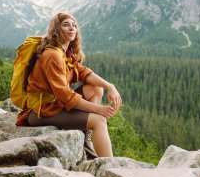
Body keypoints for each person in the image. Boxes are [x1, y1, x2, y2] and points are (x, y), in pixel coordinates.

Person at [16, 12, 122, 157]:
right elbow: (65, 96)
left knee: (95, 88)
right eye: (66, 25)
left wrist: (109, 85)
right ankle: (110, 170)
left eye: (74, 25)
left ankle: (85, 137)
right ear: (56, 29)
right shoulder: (52, 55)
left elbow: (83, 72)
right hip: (41, 111)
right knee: (99, 121)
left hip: (55, 106)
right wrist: (98, 110)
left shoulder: (65, 53)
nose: (72, 28)